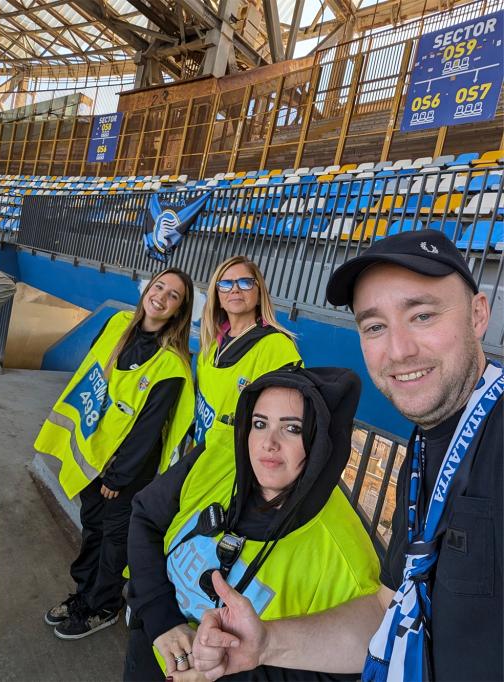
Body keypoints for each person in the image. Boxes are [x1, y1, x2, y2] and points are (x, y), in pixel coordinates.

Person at [191, 230, 501, 682]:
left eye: (423, 315)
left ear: (478, 315)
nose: (398, 350)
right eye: (375, 326)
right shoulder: (424, 449)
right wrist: (267, 642)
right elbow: (386, 608)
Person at [125, 365, 380, 681]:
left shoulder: (348, 559)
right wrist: (162, 621)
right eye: (259, 424)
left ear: (319, 442)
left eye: (292, 429)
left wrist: (217, 673)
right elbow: (145, 516)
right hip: (151, 652)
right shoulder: (219, 456)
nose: (268, 443)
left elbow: (340, 671)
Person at [35, 269, 197, 640]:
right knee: (92, 529)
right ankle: (83, 595)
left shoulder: (171, 365)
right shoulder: (117, 323)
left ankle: (104, 605)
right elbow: (91, 377)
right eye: (159, 287)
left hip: (126, 473)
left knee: (114, 542)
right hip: (95, 459)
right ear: (146, 289)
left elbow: (148, 429)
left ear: (179, 310)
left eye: (173, 296)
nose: (162, 297)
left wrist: (118, 476)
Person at [195, 257, 301, 463]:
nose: (234, 289)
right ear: (217, 295)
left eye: (245, 282)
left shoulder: (278, 347)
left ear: (259, 292)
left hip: (234, 472)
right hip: (200, 461)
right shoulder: (212, 341)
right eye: (225, 284)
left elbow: (288, 427)